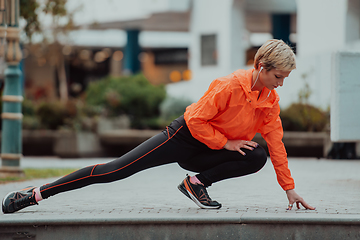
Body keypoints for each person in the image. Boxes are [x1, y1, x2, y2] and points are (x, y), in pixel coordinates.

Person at [2, 39, 315, 214]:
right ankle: (35, 194)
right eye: (278, 77)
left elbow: (276, 144)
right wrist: (225, 143)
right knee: (116, 170)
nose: (281, 85)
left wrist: (289, 190)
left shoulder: (269, 101)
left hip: (209, 153)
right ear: (262, 68)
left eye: (284, 79)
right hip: (184, 137)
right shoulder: (228, 86)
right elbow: (195, 120)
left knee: (257, 155)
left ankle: (196, 184)